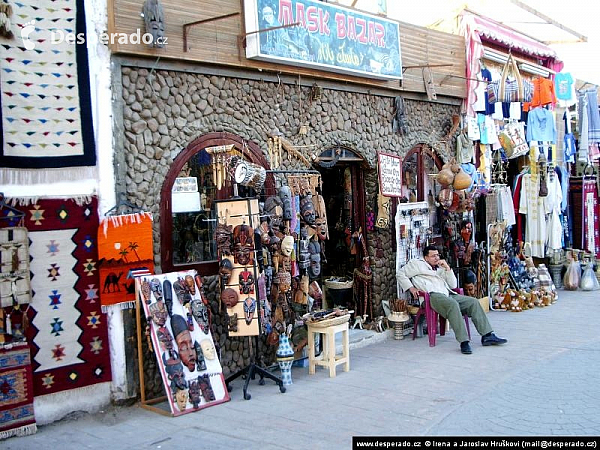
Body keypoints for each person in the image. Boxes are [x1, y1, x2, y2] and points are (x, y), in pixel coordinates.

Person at [397, 245, 507, 355]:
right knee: (452, 304)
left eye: (437, 255)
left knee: (473, 302)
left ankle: (487, 335)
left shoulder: (440, 267)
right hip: (431, 296)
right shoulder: (417, 264)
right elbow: (400, 273)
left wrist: (448, 269)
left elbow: (453, 285)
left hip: (447, 294)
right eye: (433, 256)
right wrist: (411, 288)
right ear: (426, 258)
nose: (436, 258)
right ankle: (464, 341)